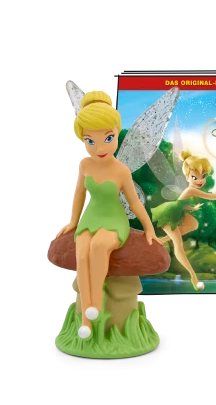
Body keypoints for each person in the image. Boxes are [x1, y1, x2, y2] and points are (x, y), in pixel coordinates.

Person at [55, 90, 161, 339]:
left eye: (108, 137)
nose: (100, 147)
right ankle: (86, 318)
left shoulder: (121, 170)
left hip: (114, 219)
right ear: (83, 140)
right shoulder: (85, 165)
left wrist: (148, 227)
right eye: (90, 141)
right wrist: (73, 221)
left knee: (99, 246)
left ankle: (95, 304)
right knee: (82, 252)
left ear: (116, 133)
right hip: (90, 217)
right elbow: (79, 194)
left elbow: (134, 203)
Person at [151, 149, 216, 291]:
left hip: (177, 213)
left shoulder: (190, 191)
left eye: (203, 176)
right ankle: (193, 277)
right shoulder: (191, 190)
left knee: (193, 224)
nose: (200, 181)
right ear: (187, 177)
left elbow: (180, 203)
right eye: (195, 177)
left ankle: (163, 240)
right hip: (169, 216)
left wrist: (192, 208)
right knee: (178, 245)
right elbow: (209, 196)